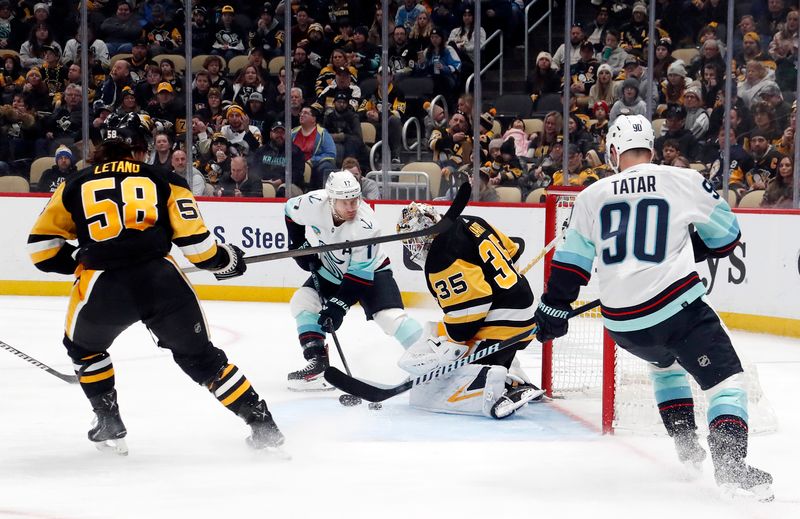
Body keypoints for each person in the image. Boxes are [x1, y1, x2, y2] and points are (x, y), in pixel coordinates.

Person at [534, 114, 773, 501]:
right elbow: (727, 239)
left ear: (613, 152)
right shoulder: (683, 180)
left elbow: (570, 263)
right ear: (652, 148)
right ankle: (731, 468)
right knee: (727, 383)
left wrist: (554, 307)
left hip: (623, 325)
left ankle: (687, 451)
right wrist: (688, 242)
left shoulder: (592, 195)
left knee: (665, 366)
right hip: (676, 311)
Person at [26, 113, 284, 454]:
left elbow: (41, 251)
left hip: (103, 285)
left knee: (84, 350)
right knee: (203, 360)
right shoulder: (168, 179)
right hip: (162, 282)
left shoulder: (73, 184)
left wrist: (78, 259)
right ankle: (263, 427)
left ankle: (108, 419)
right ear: (144, 148)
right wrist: (227, 259)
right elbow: (199, 250)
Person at [393, 203, 544, 418]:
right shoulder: (471, 221)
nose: (413, 246)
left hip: (503, 327)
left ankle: (506, 383)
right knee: (452, 333)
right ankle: (512, 370)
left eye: (413, 239)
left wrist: (452, 345)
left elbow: (470, 313)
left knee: (452, 375)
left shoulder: (440, 258)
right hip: (525, 312)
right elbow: (512, 251)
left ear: (426, 231)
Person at [283, 170, 424, 390]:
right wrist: (298, 244)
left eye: (354, 200)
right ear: (331, 199)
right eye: (345, 202)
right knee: (302, 302)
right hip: (331, 268)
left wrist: (338, 307)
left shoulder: (366, 226)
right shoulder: (312, 202)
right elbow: (290, 211)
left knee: (390, 317)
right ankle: (318, 364)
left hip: (372, 272)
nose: (351, 207)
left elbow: (359, 276)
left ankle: (428, 358)